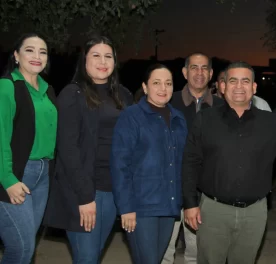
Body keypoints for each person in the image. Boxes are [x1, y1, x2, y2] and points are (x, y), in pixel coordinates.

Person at [182, 61, 276, 264]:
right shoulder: (205, 119)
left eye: (245, 81)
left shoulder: (271, 122)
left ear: (254, 87)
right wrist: (190, 204)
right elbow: (190, 162)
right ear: (223, 86)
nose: (239, 86)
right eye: (233, 81)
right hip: (213, 211)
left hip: (254, 213)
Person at [44, 35, 133, 264]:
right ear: (84, 61)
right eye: (96, 55)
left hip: (113, 190)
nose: (102, 61)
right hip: (84, 191)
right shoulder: (72, 94)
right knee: (88, 258)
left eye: (108, 56)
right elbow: (67, 149)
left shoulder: (123, 95)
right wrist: (85, 197)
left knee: (92, 256)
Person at [110, 64, 187, 263]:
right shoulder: (131, 116)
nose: (163, 88)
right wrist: (125, 208)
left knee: (156, 259)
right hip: (141, 207)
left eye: (168, 83)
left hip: (169, 205)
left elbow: (182, 164)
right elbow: (120, 165)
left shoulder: (179, 119)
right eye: (156, 83)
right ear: (145, 87)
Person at [0, 33, 57, 264]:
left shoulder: (48, 90)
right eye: (30, 50)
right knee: (21, 248)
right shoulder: (7, 87)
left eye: (42, 52)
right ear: (16, 55)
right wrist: (8, 179)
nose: (37, 56)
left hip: (43, 176)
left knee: (27, 246)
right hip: (16, 174)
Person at [162, 52, 223, 264]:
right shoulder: (169, 102)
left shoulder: (221, 107)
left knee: (197, 254)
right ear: (184, 72)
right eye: (194, 67)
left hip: (204, 193)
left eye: (204, 68)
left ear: (211, 73)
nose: (199, 72)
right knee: (164, 251)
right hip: (170, 188)